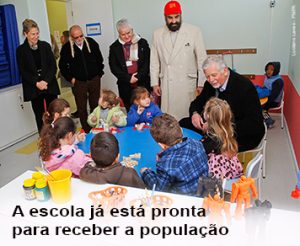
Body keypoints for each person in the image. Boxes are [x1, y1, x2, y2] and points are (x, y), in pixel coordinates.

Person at [180, 55, 265, 152]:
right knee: (183, 123)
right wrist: (194, 114)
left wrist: (216, 127)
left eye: (214, 75)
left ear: (225, 71)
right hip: (214, 127)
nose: (211, 80)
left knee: (207, 147)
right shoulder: (209, 84)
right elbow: (197, 103)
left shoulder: (244, 87)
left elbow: (254, 124)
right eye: (207, 76)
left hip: (240, 133)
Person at [150, 1, 207, 120]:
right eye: (170, 18)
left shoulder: (194, 31)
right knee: (169, 119)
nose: (174, 21)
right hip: (167, 83)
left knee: (188, 116)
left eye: (176, 17)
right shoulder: (157, 34)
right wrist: (155, 83)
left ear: (181, 15)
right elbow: (154, 60)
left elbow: (202, 60)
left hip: (187, 83)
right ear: (165, 17)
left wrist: (202, 83)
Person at [140, 113, 208, 196]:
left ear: (161, 145)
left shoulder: (166, 164)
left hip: (183, 202)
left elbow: (158, 188)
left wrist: (145, 172)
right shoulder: (197, 143)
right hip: (204, 193)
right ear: (181, 130)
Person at [16, 19, 60, 133]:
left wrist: (45, 81)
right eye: (32, 34)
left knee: (54, 113)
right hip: (33, 87)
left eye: (37, 33)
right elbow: (23, 71)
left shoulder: (45, 46)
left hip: (49, 84)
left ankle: (57, 136)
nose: (36, 36)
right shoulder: (21, 50)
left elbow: (52, 67)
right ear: (25, 34)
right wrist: (37, 83)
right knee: (40, 115)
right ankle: (44, 141)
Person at [59, 25, 104, 133]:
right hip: (79, 82)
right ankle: (86, 129)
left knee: (95, 105)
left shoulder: (91, 43)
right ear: (71, 37)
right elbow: (62, 66)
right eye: (76, 37)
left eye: (81, 36)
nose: (79, 39)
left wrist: (99, 74)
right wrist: (71, 79)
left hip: (94, 79)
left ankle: (96, 127)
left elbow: (99, 59)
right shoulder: (66, 48)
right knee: (81, 108)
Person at [109, 18, 151, 111]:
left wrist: (138, 76)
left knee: (146, 110)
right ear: (118, 33)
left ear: (132, 30)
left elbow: (147, 62)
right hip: (125, 85)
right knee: (131, 110)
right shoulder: (114, 47)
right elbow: (114, 67)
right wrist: (129, 78)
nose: (127, 36)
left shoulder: (142, 42)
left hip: (142, 82)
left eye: (128, 33)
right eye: (123, 34)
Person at [80, 132, 145, 188]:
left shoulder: (85, 173)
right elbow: (143, 191)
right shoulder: (130, 174)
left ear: (90, 155)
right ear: (117, 157)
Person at [201, 97, 243, 179]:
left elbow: (201, 151)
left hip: (216, 182)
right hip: (232, 179)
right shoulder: (228, 133)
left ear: (207, 116)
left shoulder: (209, 142)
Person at [262, 61, 284, 128]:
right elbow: (265, 86)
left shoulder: (278, 81)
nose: (269, 71)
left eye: (272, 70)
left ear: (276, 70)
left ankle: (269, 121)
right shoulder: (268, 77)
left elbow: (273, 96)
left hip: (274, 101)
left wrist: (264, 102)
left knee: (259, 107)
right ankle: (264, 118)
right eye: (268, 69)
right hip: (267, 97)